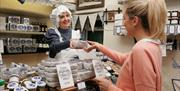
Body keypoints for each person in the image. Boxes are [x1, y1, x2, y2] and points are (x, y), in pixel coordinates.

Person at [80, 0, 167, 91]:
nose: (123, 23)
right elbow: (124, 59)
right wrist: (99, 46)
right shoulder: (152, 45)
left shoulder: (141, 49)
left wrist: (110, 87)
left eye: (124, 18)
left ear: (134, 21)